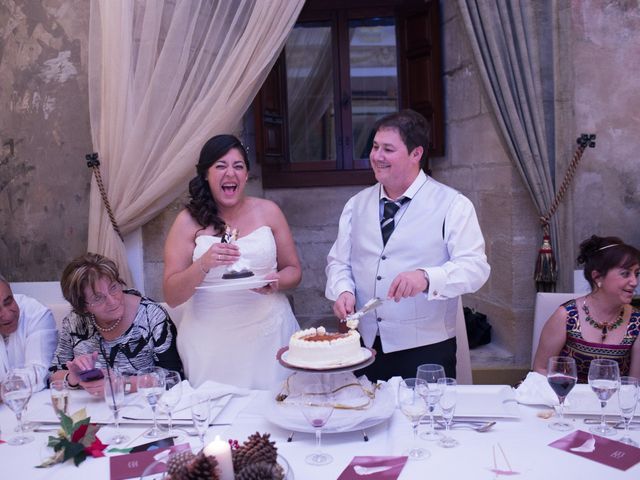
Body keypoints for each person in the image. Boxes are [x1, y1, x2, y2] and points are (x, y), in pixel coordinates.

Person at [326, 109, 490, 381]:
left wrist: (427, 278)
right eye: (375, 147)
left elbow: (475, 269)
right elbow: (339, 262)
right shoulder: (356, 205)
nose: (377, 156)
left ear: (416, 154)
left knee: (424, 422)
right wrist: (343, 290)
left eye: (388, 149)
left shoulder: (453, 205)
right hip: (365, 346)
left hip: (426, 349)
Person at [163, 134, 301, 389]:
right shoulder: (187, 222)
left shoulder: (269, 211)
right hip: (210, 342)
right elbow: (171, 295)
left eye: (238, 166)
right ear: (206, 174)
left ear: (247, 175)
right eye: (220, 166)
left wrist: (276, 281)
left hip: (270, 335)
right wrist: (203, 264)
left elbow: (294, 270)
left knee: (276, 410)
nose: (231, 173)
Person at [49, 253, 183, 396]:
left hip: (145, 410)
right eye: (98, 298)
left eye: (113, 288)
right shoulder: (75, 322)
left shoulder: (151, 317)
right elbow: (53, 375)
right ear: (83, 307)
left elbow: (174, 378)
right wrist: (74, 377)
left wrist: (122, 383)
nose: (113, 301)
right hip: (93, 411)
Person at [533, 235, 640, 383]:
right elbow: (541, 370)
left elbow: (634, 384)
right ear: (597, 277)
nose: (634, 282)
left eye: (637, 273)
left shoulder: (637, 322)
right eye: (625, 273)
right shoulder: (566, 316)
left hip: (612, 401)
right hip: (564, 397)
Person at [0, 275, 57, 392]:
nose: (7, 315)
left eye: (8, 302)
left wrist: (4, 390)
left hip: (36, 404)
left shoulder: (36, 313)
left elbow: (39, 373)